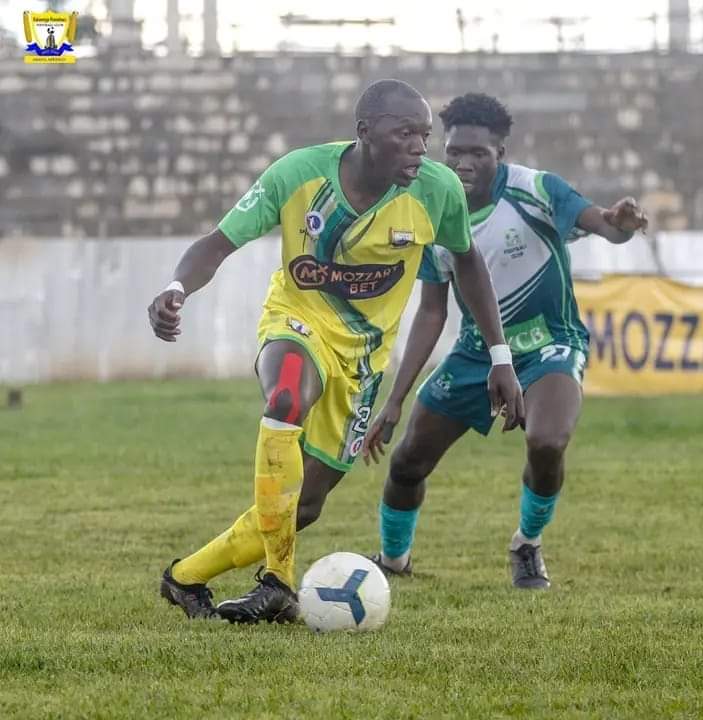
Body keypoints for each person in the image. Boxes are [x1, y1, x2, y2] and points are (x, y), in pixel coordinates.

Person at [147, 80, 525, 623]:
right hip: (297, 322)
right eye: (406, 134)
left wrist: (500, 357)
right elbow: (216, 243)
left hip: (364, 362)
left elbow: (467, 263)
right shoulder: (298, 175)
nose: (421, 147)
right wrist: (177, 289)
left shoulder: (437, 190)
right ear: (366, 133)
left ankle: (184, 578)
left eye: (425, 135)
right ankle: (277, 579)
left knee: (303, 505)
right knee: (285, 398)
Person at [363, 92, 648, 589]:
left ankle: (527, 545)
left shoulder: (537, 190)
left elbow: (604, 224)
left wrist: (621, 225)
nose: (463, 163)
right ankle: (392, 560)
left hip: (549, 345)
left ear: (501, 154)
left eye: (478, 154)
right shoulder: (433, 210)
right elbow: (432, 311)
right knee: (408, 459)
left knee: (547, 440)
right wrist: (396, 398)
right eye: (454, 152)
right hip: (478, 354)